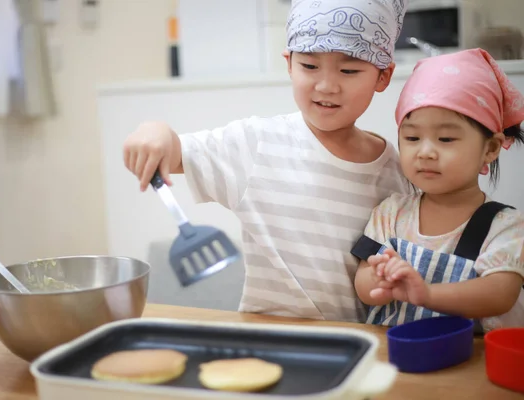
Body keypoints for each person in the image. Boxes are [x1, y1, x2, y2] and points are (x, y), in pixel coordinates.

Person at [122, 0, 410, 322]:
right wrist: (156, 131)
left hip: (358, 345)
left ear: (383, 76)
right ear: (289, 64)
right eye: (310, 67)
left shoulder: (397, 172)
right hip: (269, 339)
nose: (327, 85)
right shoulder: (258, 143)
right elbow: (176, 153)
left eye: (349, 70)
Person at [352, 48, 524, 332]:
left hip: (471, 363)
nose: (426, 152)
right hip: (399, 355)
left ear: (490, 148)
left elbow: (500, 294)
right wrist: (383, 279)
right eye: (412, 137)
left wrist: (426, 295)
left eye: (445, 138)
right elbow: (363, 283)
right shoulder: (391, 212)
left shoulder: (506, 226)